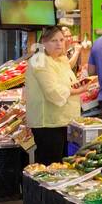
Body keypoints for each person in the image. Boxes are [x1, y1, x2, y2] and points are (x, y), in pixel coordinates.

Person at [24, 26, 87, 165]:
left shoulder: (59, 59)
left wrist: (79, 85)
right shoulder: (39, 60)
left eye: (61, 40)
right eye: (54, 40)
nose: (59, 43)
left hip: (62, 121)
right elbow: (52, 91)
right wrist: (79, 90)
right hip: (48, 123)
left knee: (60, 166)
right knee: (50, 167)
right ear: (44, 43)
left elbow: (67, 83)